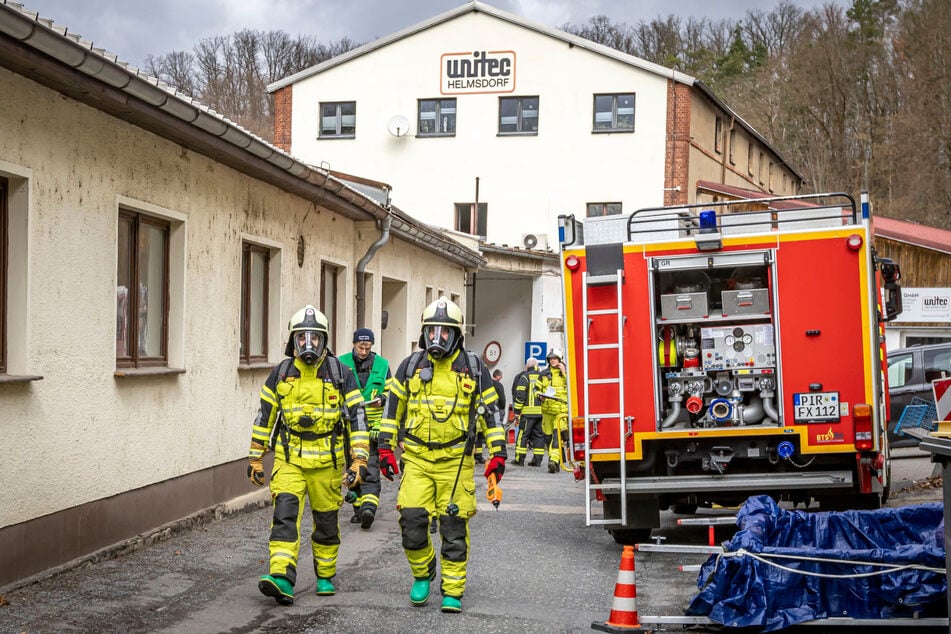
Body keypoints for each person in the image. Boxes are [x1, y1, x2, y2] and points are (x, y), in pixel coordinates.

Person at [377, 296, 507, 614]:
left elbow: (491, 415)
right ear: (424, 334)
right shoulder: (410, 366)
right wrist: (384, 447)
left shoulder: (474, 369)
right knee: (411, 520)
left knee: (453, 526)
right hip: (418, 459)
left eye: (444, 332)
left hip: (456, 462)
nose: (437, 338)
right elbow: (393, 411)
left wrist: (498, 455)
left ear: (456, 335)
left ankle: (452, 590)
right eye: (431, 332)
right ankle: (423, 572)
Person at [247, 305, 370, 606]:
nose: (308, 345)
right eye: (302, 339)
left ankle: (325, 575)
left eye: (314, 338)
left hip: (327, 466)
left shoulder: (342, 375)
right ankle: (281, 578)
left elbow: (357, 420)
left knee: (326, 522)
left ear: (324, 340)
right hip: (290, 461)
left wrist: (360, 459)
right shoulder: (281, 374)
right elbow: (265, 418)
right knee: (284, 516)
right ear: (293, 341)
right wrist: (254, 457)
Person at [339, 327, 391, 530]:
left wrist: (383, 399)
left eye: (367, 348)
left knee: (370, 466)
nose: (363, 352)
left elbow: (391, 392)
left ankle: (369, 508)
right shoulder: (341, 363)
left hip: (372, 428)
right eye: (361, 347)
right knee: (352, 466)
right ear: (354, 344)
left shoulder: (382, 365)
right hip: (348, 426)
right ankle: (358, 509)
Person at [535, 347, 569, 473]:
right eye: (550, 358)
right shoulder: (543, 373)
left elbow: (572, 386)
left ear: (560, 359)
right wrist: (539, 396)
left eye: (554, 358)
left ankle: (553, 460)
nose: (552, 361)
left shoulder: (566, 372)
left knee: (556, 436)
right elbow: (536, 389)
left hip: (561, 411)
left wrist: (564, 372)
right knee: (548, 438)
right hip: (547, 410)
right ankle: (555, 461)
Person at [511, 358, 544, 466]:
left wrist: (517, 411)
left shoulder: (525, 376)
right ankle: (537, 460)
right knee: (539, 436)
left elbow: (520, 395)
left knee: (523, 435)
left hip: (527, 413)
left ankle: (519, 459)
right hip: (540, 413)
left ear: (527, 366)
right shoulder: (542, 376)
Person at [474, 369, 506, 462]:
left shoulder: (483, 383)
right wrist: (502, 408)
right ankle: (479, 456)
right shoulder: (498, 385)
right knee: (481, 436)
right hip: (489, 413)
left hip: (477, 413)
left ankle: (475, 454)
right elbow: (502, 399)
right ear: (498, 376)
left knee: (475, 436)